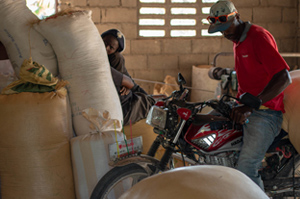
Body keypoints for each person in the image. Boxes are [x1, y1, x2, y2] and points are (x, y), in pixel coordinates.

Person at [207, 0, 291, 190]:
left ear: (237, 16)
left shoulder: (258, 37)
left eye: (227, 27)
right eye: (221, 30)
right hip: (246, 107)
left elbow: (284, 77)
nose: (225, 33)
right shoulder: (238, 39)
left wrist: (251, 105)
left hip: (265, 112)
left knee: (246, 167)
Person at [101, 29, 155, 126]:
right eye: (104, 43)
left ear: (115, 50)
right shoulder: (98, 56)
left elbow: (130, 84)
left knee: (148, 100)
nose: (106, 48)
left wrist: (125, 84)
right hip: (124, 92)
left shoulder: (115, 58)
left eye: (111, 48)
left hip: (128, 89)